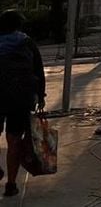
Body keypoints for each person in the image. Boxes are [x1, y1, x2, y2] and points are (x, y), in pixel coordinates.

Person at [0, 10, 46, 197]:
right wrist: (40, 96)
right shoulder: (27, 42)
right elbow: (39, 70)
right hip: (21, 98)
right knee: (14, 141)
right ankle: (11, 184)